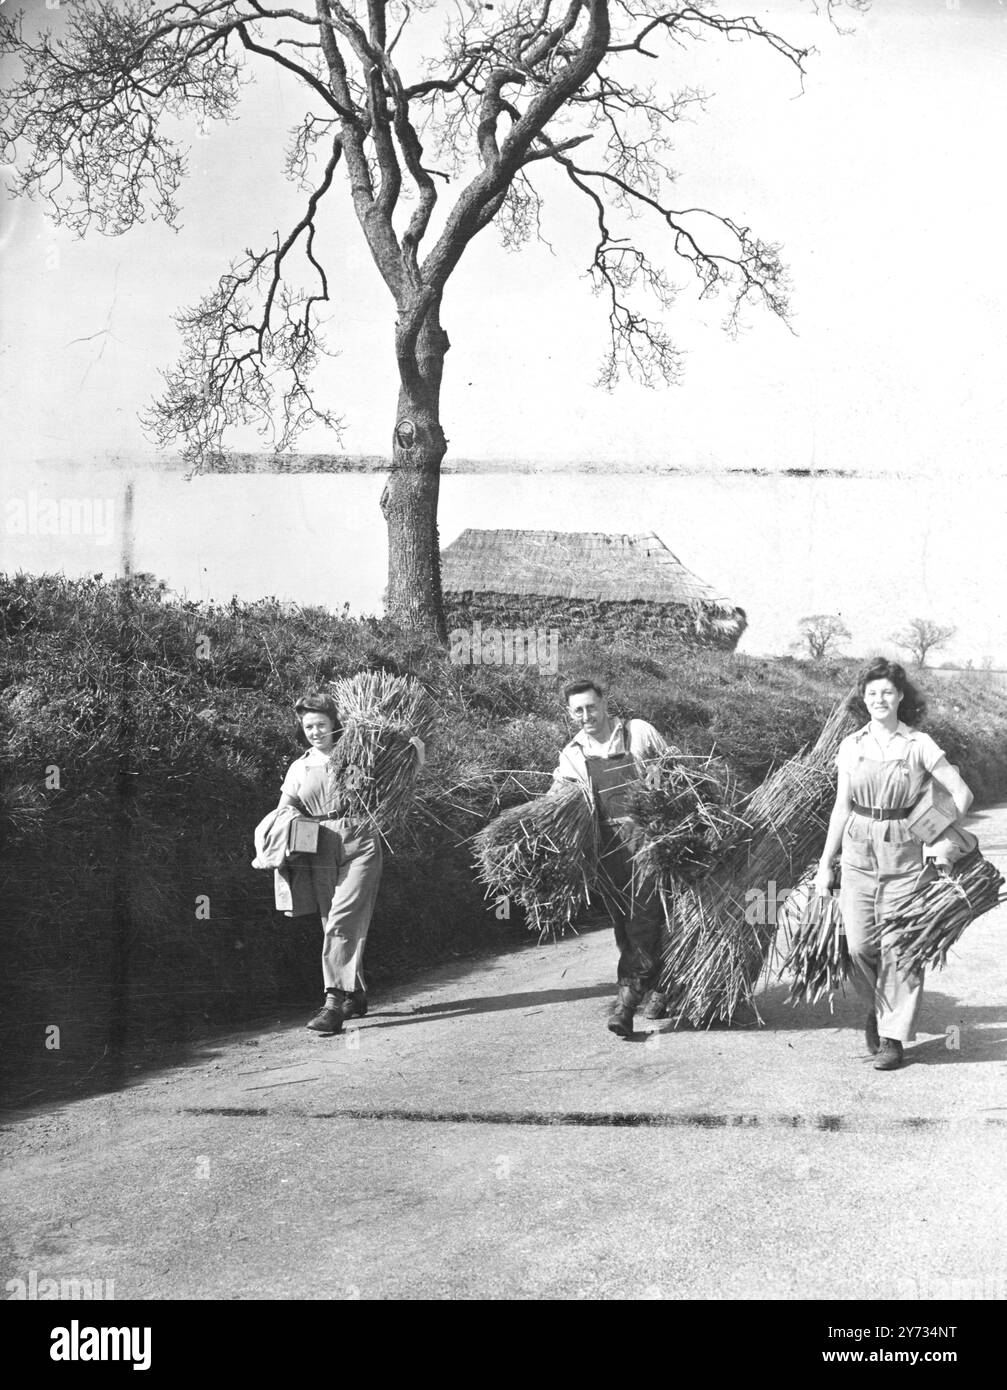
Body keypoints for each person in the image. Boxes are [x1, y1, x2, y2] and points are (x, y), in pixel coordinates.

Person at [814, 659, 973, 1071]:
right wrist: (825, 864)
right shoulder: (852, 745)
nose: (879, 699)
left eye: (886, 691)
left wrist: (936, 835)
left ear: (901, 696)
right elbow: (840, 807)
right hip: (858, 852)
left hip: (905, 855)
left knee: (901, 948)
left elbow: (961, 794)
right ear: (862, 700)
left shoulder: (918, 743)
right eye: (871, 694)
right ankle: (878, 1009)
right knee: (860, 946)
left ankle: (891, 1038)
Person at [552, 679, 670, 1038]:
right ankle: (659, 986)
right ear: (570, 714)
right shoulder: (572, 753)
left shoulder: (638, 734)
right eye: (578, 710)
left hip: (649, 840)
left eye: (591, 706)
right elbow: (559, 795)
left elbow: (674, 770)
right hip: (608, 850)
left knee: (645, 918)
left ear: (604, 703)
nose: (587, 716)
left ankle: (626, 1003)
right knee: (624, 925)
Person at [277, 693, 383, 1035]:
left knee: (343, 917)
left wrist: (416, 752)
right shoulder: (299, 767)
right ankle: (357, 993)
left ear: (334, 723)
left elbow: (379, 787)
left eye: (321, 724)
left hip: (359, 838)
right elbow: (284, 808)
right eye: (308, 726)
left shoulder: (354, 755)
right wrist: (287, 823)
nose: (315, 732)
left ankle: (333, 1002)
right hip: (319, 844)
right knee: (330, 922)